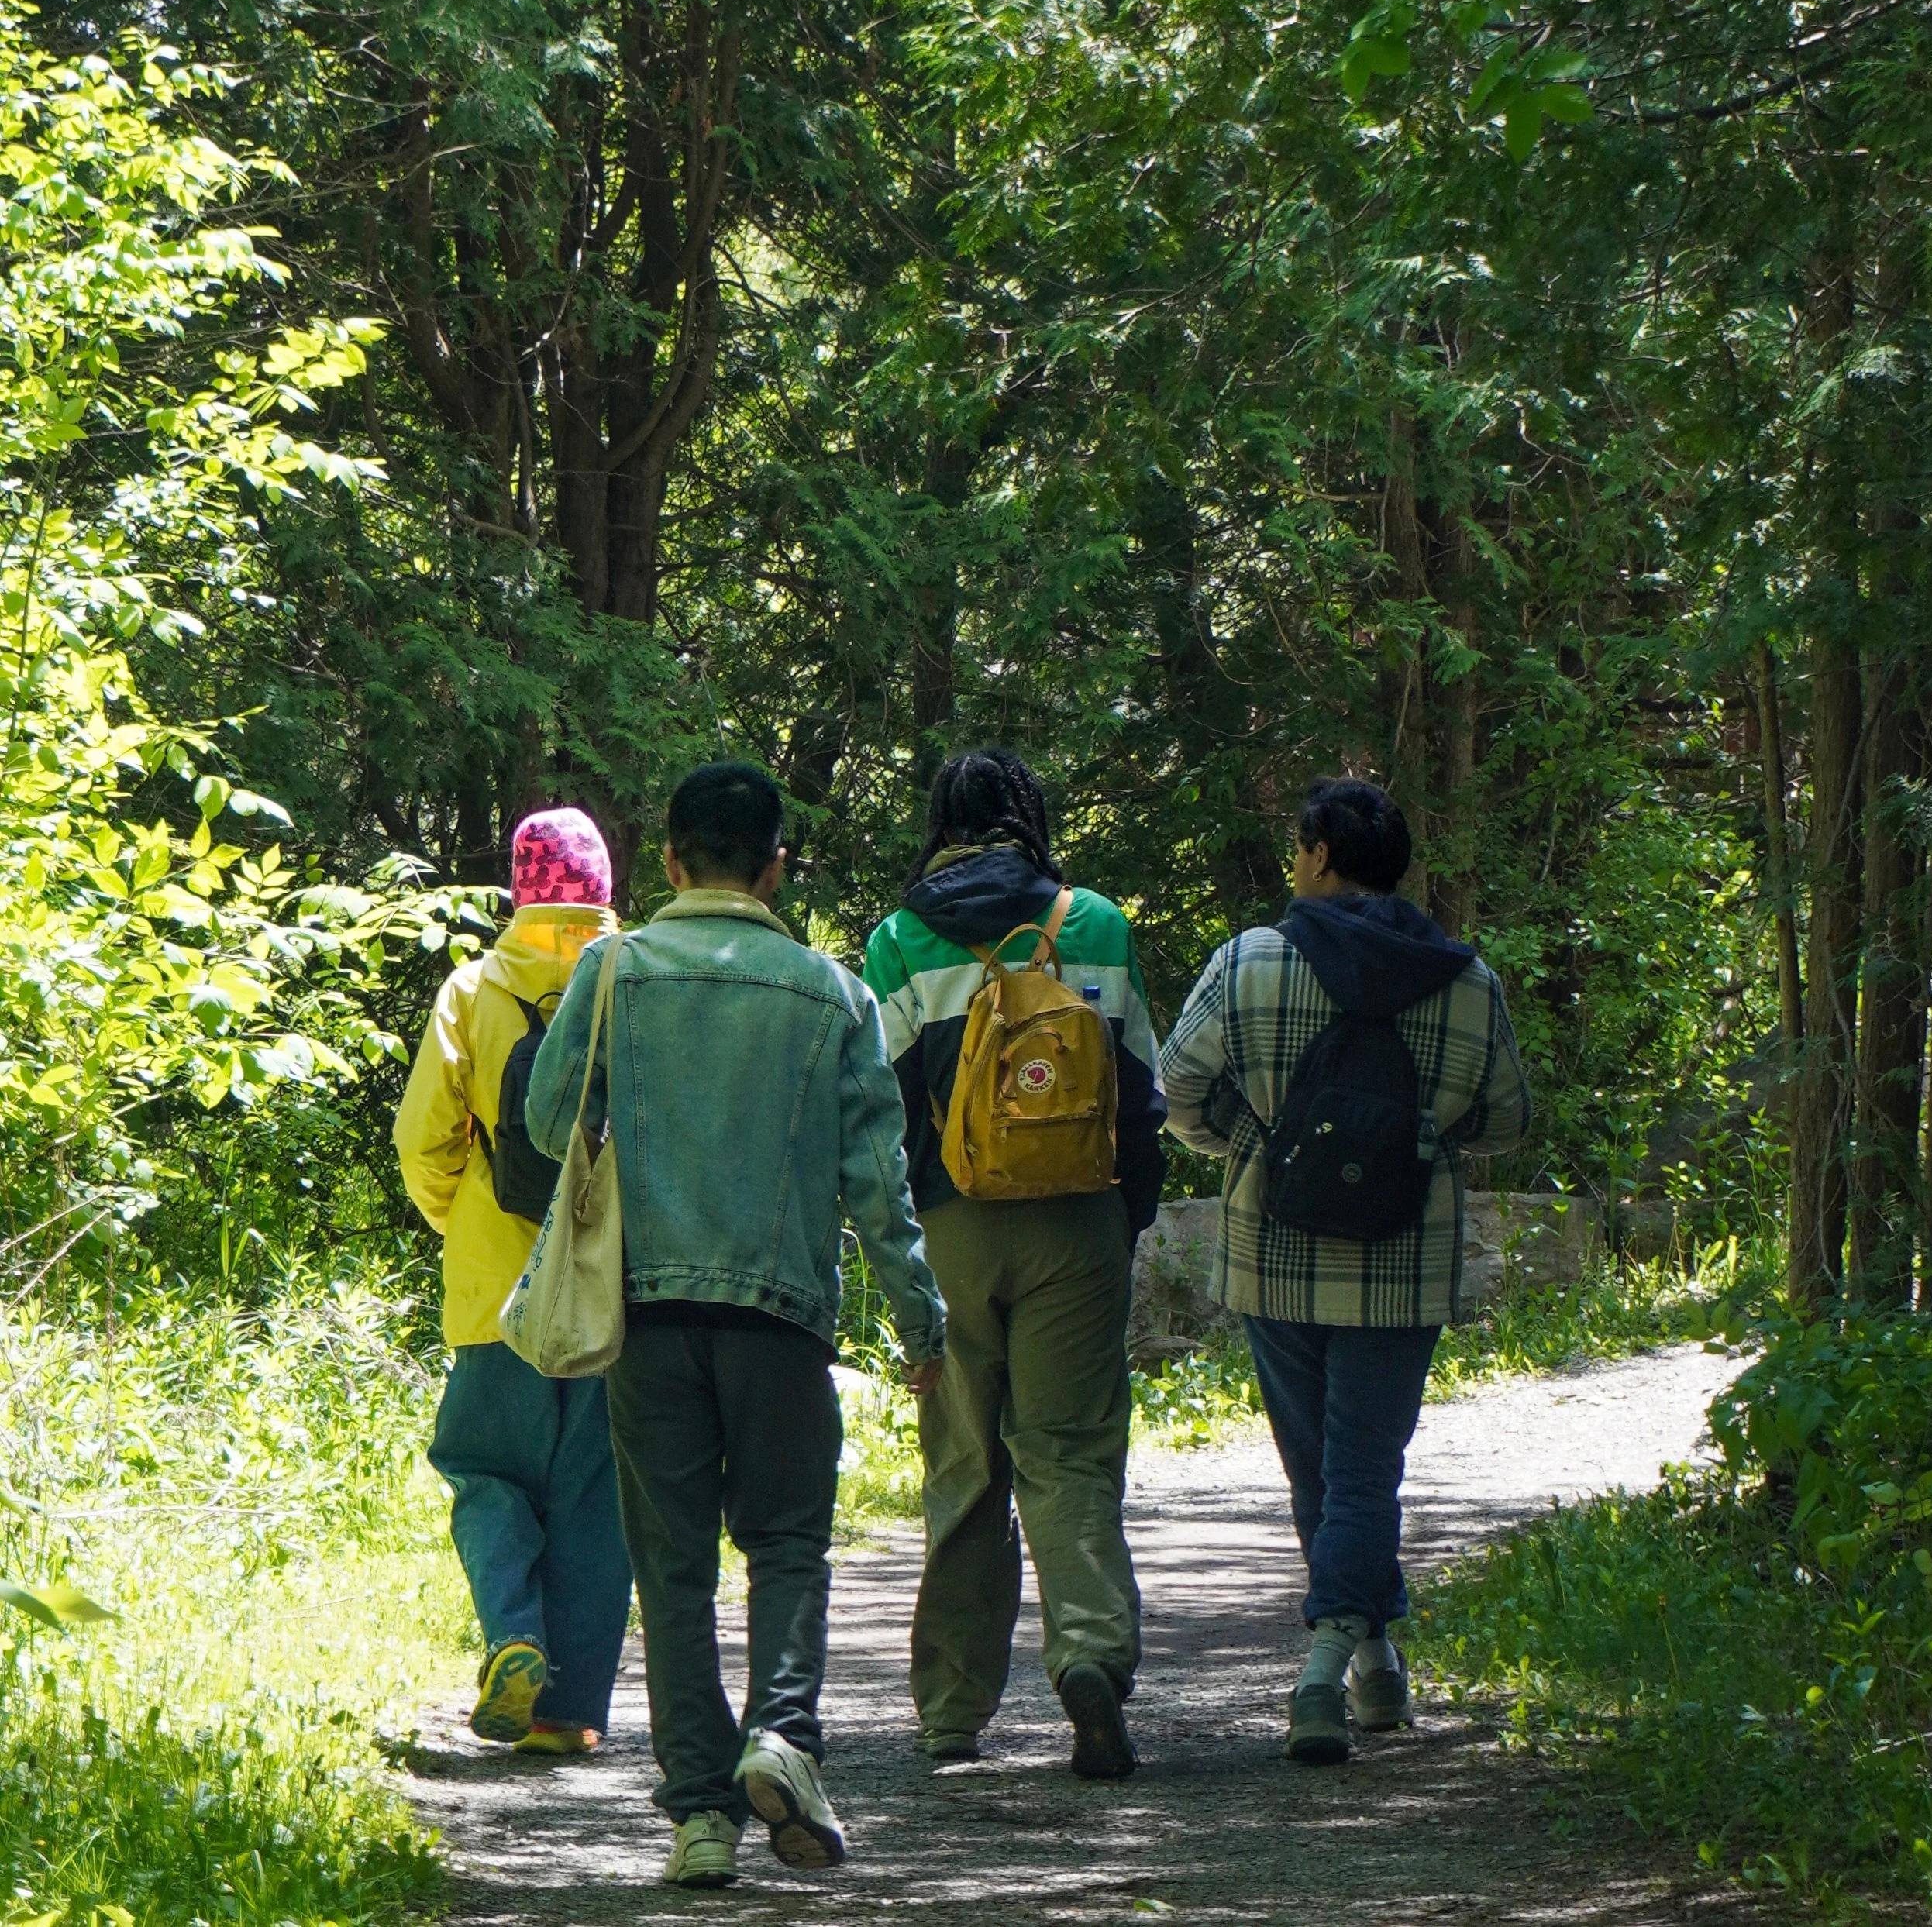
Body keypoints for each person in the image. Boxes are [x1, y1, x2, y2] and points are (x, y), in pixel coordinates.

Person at [526, 760, 946, 1892]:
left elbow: (546, 1115)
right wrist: (922, 1321)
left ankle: (699, 1819)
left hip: (648, 1314)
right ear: (776, 866)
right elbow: (877, 1182)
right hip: (783, 1320)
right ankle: (784, 1737)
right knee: (788, 1543)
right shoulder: (829, 991)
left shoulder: (615, 970)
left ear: (668, 861)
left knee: (670, 1571)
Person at [1159, 776, 1530, 1764]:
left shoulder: (1249, 962)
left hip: (1272, 1250)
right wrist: (1421, 1141)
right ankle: (1372, 1662)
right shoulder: (1463, 979)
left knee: (1318, 1470)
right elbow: (1505, 1120)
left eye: (1297, 845)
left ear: (1321, 855)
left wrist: (1255, 1141)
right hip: (1404, 1262)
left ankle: (1321, 1673)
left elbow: (1178, 1089)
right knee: (1366, 1468)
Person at [863, 748, 1167, 1781]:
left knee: (964, 1464)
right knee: (1071, 1453)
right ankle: (1088, 1657)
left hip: (951, 1228)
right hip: (1077, 1222)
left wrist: (906, 1248)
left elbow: (887, 1117)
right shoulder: (1096, 924)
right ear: (1029, 816)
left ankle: (952, 1709)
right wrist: (1123, 1223)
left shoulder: (900, 942)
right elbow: (1143, 1093)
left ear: (941, 821)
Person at [393, 805, 635, 1757]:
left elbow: (423, 1141)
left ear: (521, 891)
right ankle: (567, 1714)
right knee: (594, 1492)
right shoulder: (639, 980)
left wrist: (466, 1220)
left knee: (488, 1471)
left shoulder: (472, 990)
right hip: (615, 1283)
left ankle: (513, 1637)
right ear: (606, 890)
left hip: (497, 1287)